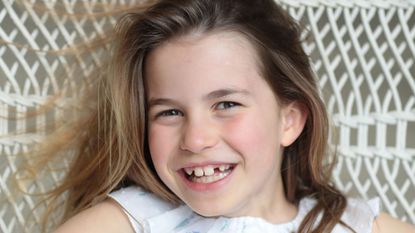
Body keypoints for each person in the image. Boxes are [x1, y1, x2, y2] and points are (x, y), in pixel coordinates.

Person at [23, 0, 413, 232]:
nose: (196, 139)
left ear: (289, 119)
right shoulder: (138, 220)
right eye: (170, 112)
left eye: (226, 104)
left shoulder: (352, 225)